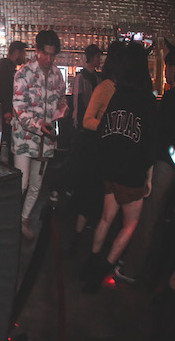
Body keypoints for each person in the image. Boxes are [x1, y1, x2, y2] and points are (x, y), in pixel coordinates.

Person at [81, 41, 156, 293]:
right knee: (130, 225)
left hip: (110, 168)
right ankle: (99, 275)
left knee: (105, 218)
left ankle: (90, 266)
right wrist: (149, 176)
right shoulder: (147, 100)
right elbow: (149, 143)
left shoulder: (117, 93)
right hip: (131, 172)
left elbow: (103, 129)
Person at [113, 40, 175, 284]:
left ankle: (131, 269)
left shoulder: (170, 97)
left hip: (165, 163)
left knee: (149, 215)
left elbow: (158, 135)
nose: (166, 73)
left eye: (168, 68)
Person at [12, 30, 68, 241]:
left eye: (53, 55)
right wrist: (38, 125)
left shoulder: (57, 75)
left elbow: (62, 99)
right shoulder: (24, 73)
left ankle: (23, 219)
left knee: (36, 185)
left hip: (46, 141)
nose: (49, 59)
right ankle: (9, 221)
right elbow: (19, 107)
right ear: (37, 51)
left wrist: (62, 110)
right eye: (46, 54)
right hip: (24, 138)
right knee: (22, 183)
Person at [64, 44, 104, 252]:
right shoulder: (82, 77)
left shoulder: (98, 78)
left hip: (92, 130)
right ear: (92, 57)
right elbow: (78, 104)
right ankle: (72, 202)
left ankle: (76, 204)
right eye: (98, 56)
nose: (100, 60)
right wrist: (79, 125)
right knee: (79, 168)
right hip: (83, 130)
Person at [0, 40, 27, 164]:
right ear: (17, 52)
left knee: (6, 142)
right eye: (23, 53)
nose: (24, 56)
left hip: (6, 111)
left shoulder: (6, 66)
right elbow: (5, 91)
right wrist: (7, 111)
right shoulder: (7, 68)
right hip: (7, 113)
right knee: (7, 142)